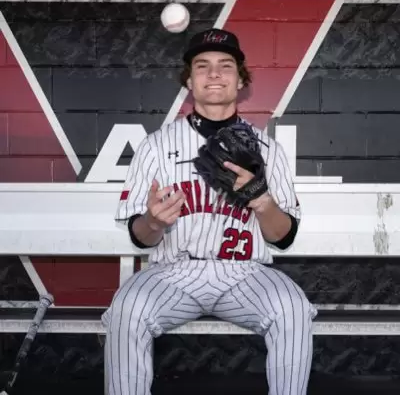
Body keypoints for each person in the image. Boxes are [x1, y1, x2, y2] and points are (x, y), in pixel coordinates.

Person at [102, 28, 317, 395]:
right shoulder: (156, 146)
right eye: (202, 66)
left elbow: (283, 238)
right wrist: (153, 221)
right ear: (189, 80)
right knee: (127, 310)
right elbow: (140, 238)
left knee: (293, 308)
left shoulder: (267, 149)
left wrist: (262, 201)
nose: (214, 73)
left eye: (225, 65)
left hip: (244, 274)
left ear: (241, 80)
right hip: (173, 272)